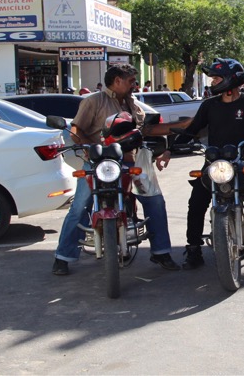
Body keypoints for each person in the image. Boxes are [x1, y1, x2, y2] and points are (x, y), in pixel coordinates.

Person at [52, 64, 180, 276]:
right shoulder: (93, 101)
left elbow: (144, 131)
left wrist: (173, 136)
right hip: (98, 163)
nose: (134, 85)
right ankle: (63, 256)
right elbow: (76, 129)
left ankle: (161, 252)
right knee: (79, 207)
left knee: (155, 200)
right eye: (130, 81)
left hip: (130, 162)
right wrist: (89, 148)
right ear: (117, 81)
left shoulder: (132, 104)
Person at [169, 58, 244, 270]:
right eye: (213, 78)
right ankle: (193, 248)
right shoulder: (209, 105)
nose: (213, 82)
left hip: (242, 155)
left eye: (217, 77)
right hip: (215, 160)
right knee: (197, 200)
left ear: (231, 79)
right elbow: (192, 129)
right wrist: (168, 150)